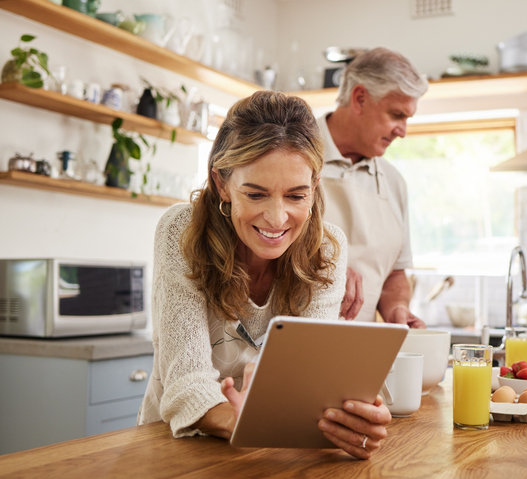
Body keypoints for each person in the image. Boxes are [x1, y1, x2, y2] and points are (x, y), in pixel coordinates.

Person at [137, 91, 391, 460]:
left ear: (315, 185)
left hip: (274, 450)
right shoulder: (181, 230)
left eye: (296, 196)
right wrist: (241, 421)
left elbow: (313, 384)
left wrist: (354, 418)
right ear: (222, 183)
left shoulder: (328, 248)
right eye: (255, 195)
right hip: (177, 450)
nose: (276, 218)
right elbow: (184, 380)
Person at [318, 47, 429, 328]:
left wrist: (397, 308)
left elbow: (394, 275)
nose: (403, 131)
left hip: (364, 352)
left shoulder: (393, 182)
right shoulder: (291, 155)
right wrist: (320, 273)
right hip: (289, 342)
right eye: (396, 115)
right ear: (360, 98)